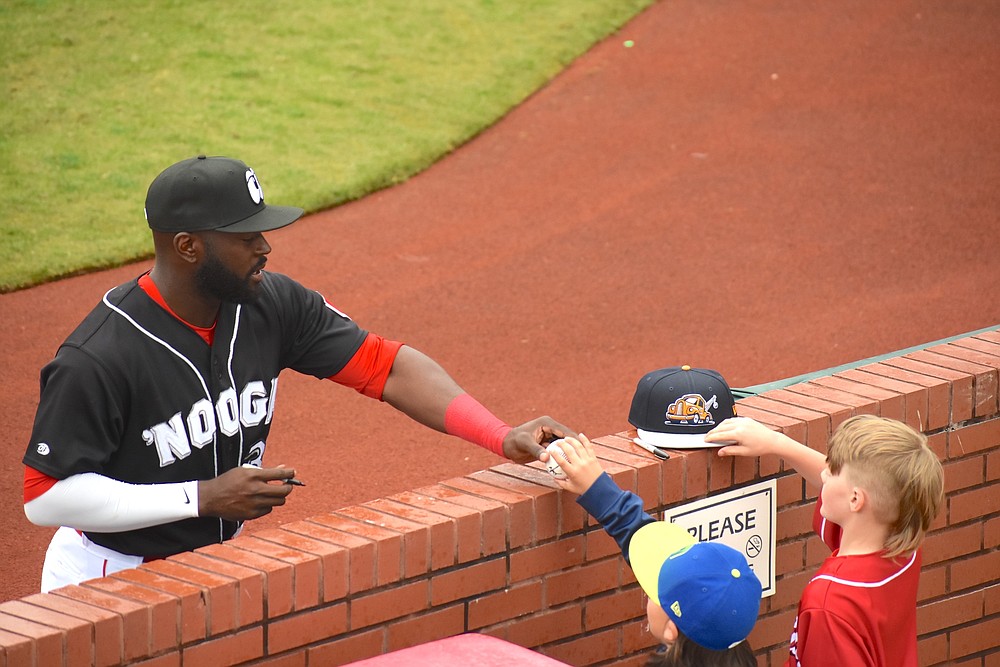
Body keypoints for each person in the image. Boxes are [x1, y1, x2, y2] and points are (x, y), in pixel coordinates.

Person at [22, 155, 573, 592]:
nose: (265, 246)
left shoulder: (269, 303)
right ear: (188, 246)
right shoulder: (100, 356)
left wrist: (500, 435)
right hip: (110, 580)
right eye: (244, 238)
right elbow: (45, 497)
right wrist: (202, 497)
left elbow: (387, 366)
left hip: (215, 566)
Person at [705, 415, 945, 667]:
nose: (822, 473)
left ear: (855, 500)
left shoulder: (828, 604)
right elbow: (871, 482)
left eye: (831, 472)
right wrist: (776, 442)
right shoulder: (901, 543)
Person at [549, 434, 761, 666]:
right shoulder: (727, 644)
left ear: (671, 629)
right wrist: (597, 489)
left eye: (654, 591)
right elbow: (636, 533)